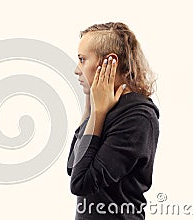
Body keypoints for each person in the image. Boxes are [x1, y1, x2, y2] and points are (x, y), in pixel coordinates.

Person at [67, 22, 159, 219]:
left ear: (110, 62)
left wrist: (98, 114)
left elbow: (80, 183)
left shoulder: (137, 117)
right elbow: (72, 165)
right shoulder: (104, 108)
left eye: (82, 59)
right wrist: (90, 108)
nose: (77, 70)